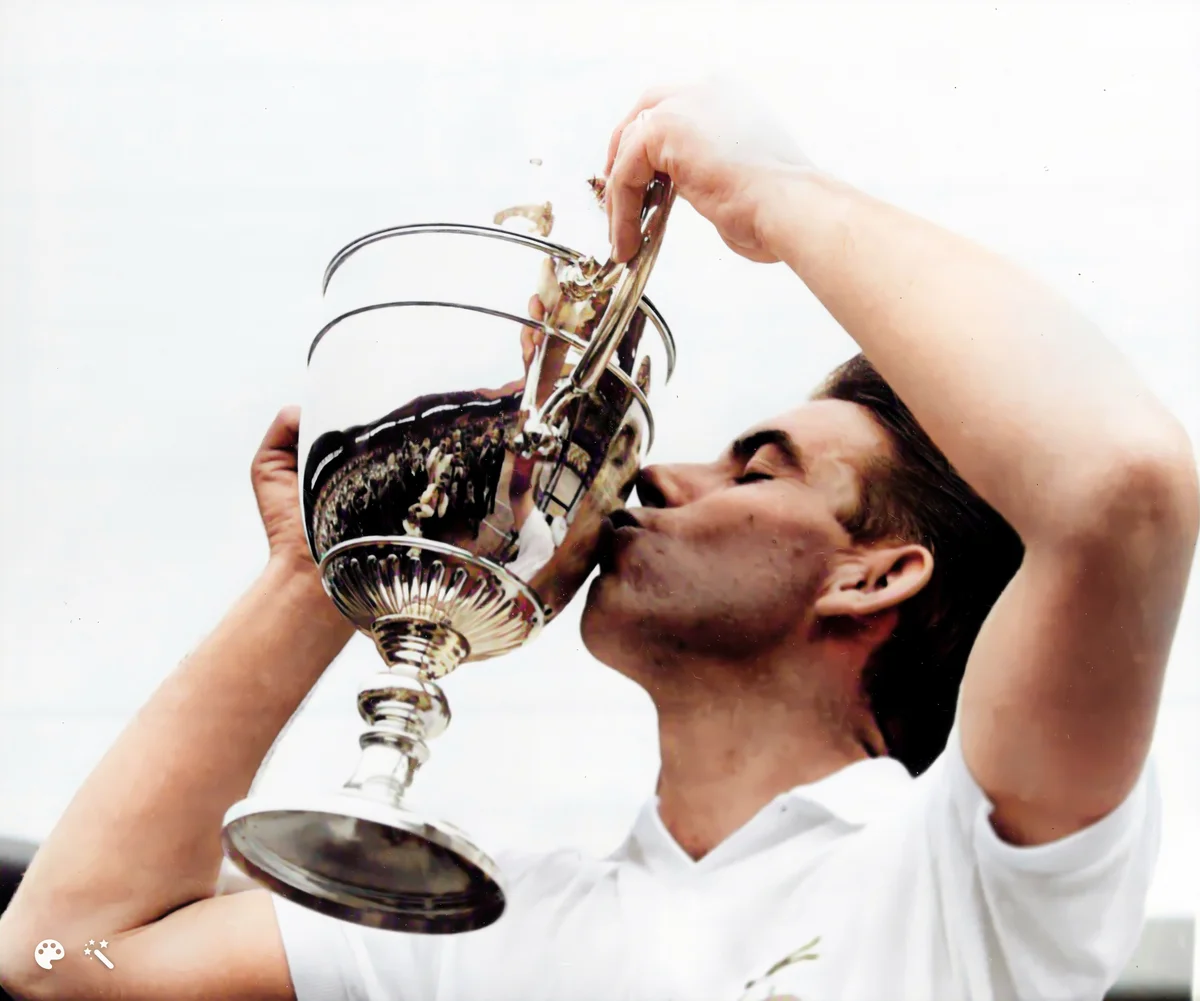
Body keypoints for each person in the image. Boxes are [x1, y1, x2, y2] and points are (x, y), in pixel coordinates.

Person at [1, 81, 1196, 1001]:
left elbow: (1124, 486)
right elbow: (66, 951)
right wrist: (324, 573)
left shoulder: (970, 879)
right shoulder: (490, 924)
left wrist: (768, 192)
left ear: (873, 573)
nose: (660, 475)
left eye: (757, 465)